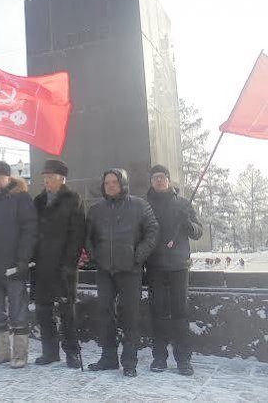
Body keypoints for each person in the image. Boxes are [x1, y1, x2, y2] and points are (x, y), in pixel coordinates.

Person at [86, 168, 158, 377]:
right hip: (105, 270)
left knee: (130, 316)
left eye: (114, 182)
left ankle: (129, 361)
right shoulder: (96, 209)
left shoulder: (139, 205)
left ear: (123, 184)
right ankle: (109, 358)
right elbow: (87, 236)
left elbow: (153, 231)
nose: (110, 186)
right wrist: (95, 256)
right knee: (105, 314)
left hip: (130, 270)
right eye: (107, 182)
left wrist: (138, 256)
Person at [0, 161, 38, 369]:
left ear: (8, 177)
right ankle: (2, 351)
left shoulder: (21, 198)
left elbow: (29, 229)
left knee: (18, 312)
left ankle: (20, 353)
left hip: (14, 266)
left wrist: (23, 259)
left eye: (0, 177)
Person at [145, 164, 203, 376]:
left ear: (169, 180)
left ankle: (183, 359)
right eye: (155, 178)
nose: (159, 180)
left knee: (180, 313)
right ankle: (159, 357)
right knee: (157, 313)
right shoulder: (144, 205)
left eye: (162, 177)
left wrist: (187, 222)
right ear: (151, 182)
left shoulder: (183, 204)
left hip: (178, 266)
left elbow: (198, 232)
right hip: (155, 267)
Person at [32, 159, 85, 368]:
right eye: (44, 177)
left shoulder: (73, 199)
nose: (46, 181)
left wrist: (70, 263)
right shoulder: (38, 201)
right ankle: (50, 352)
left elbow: (77, 233)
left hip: (64, 264)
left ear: (62, 179)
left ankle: (72, 352)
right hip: (41, 264)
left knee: (66, 310)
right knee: (43, 310)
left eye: (51, 177)